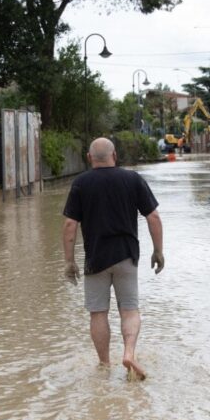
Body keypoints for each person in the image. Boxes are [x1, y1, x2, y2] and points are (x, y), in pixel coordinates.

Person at [62, 137, 164, 381]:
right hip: (127, 255)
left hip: (96, 258)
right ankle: (129, 353)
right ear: (115, 155)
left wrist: (69, 262)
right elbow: (154, 217)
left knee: (98, 313)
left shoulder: (81, 183)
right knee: (129, 310)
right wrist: (158, 251)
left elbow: (69, 225)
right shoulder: (132, 179)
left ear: (89, 158)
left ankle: (104, 366)